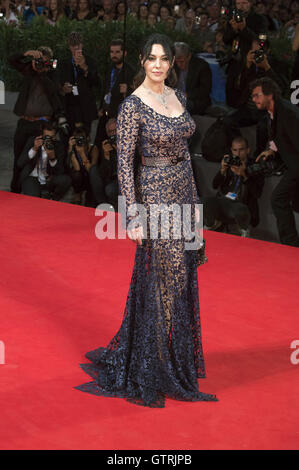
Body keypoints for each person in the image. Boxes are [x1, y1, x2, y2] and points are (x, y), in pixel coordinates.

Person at [76, 33, 218, 408]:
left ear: (172, 63)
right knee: (165, 276)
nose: (158, 64)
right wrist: (133, 217)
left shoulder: (179, 97)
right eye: (152, 58)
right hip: (154, 195)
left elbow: (187, 152)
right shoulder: (132, 107)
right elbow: (124, 164)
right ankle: (151, 362)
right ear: (142, 61)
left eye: (164, 59)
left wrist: (195, 206)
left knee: (180, 277)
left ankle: (164, 354)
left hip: (185, 192)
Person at [8, 46, 65, 193]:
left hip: (41, 124)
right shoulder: (29, 70)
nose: (41, 64)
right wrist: (25, 53)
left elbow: (54, 91)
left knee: (34, 156)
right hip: (25, 121)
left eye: (44, 61)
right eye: (38, 61)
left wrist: (42, 73)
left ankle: (34, 187)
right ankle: (15, 189)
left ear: (49, 61)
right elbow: (11, 60)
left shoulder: (52, 73)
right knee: (18, 155)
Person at [251, 77, 299, 247]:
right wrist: (272, 150)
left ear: (269, 95)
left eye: (257, 95)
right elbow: (282, 135)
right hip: (293, 166)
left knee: (278, 199)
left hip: (296, 167)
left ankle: (291, 244)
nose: (254, 99)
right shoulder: (274, 112)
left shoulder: (287, 113)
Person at [202, 136, 264, 236]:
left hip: (243, 205)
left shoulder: (255, 167)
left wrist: (244, 175)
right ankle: (211, 223)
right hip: (226, 202)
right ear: (231, 150)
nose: (237, 154)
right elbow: (214, 185)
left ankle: (244, 229)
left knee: (239, 209)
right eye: (235, 150)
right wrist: (222, 170)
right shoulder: (230, 162)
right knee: (204, 202)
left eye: (241, 150)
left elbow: (257, 193)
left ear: (248, 150)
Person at [57, 31, 100, 136]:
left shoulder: (91, 61)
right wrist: (63, 88)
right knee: (66, 139)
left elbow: (97, 83)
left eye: (78, 45)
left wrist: (84, 67)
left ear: (82, 44)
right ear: (69, 47)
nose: (76, 48)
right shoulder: (63, 63)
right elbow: (56, 83)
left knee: (84, 138)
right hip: (69, 107)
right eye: (73, 45)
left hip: (85, 108)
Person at [17, 121, 71, 201]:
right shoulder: (33, 141)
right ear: (41, 135)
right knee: (34, 200)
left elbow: (61, 171)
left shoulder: (58, 146)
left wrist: (52, 158)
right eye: (46, 137)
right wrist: (34, 149)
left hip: (49, 178)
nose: (49, 140)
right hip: (33, 176)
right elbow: (20, 163)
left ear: (55, 137)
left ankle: (54, 199)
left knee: (66, 180)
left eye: (52, 137)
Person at [174, 41, 212, 115]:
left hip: (194, 100)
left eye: (181, 61)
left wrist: (186, 95)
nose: (179, 65)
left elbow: (205, 90)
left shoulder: (202, 66)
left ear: (189, 57)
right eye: (177, 62)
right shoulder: (173, 65)